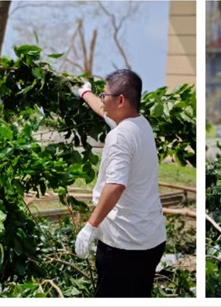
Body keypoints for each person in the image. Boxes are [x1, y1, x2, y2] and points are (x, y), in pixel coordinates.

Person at [69, 70, 167, 298]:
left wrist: (90, 226)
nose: (102, 100)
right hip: (151, 240)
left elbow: (116, 185)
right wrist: (85, 93)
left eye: (105, 95)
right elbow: (104, 111)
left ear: (120, 100)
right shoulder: (140, 124)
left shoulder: (120, 136)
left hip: (124, 246)